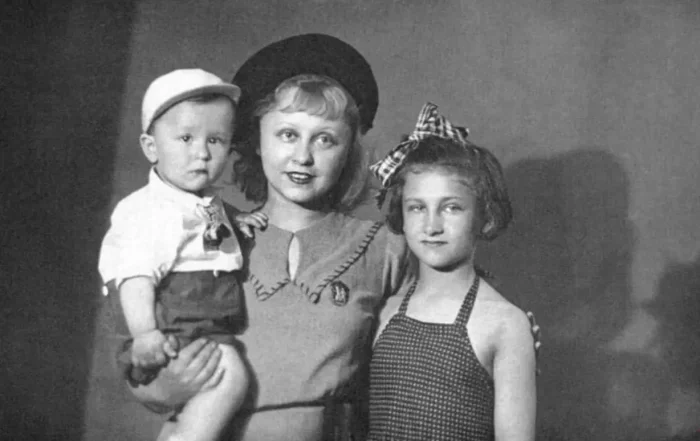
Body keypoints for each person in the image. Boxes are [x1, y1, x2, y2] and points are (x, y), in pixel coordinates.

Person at [125, 34, 414, 441]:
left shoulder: (386, 250)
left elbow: (414, 370)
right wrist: (166, 385)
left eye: (325, 139)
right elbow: (144, 361)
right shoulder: (202, 233)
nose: (303, 157)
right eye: (287, 134)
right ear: (257, 141)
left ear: (349, 150)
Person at [98, 68, 267, 441]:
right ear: (151, 147)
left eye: (216, 140)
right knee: (228, 375)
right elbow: (135, 277)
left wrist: (238, 219)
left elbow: (205, 217)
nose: (202, 153)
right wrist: (145, 334)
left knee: (205, 393)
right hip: (169, 321)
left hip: (197, 319)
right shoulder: (146, 212)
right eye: (186, 138)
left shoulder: (200, 200)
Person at [367, 103, 537, 440]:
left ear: (484, 216)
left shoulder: (506, 323)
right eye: (417, 208)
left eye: (451, 208)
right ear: (401, 214)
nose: (432, 225)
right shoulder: (384, 308)